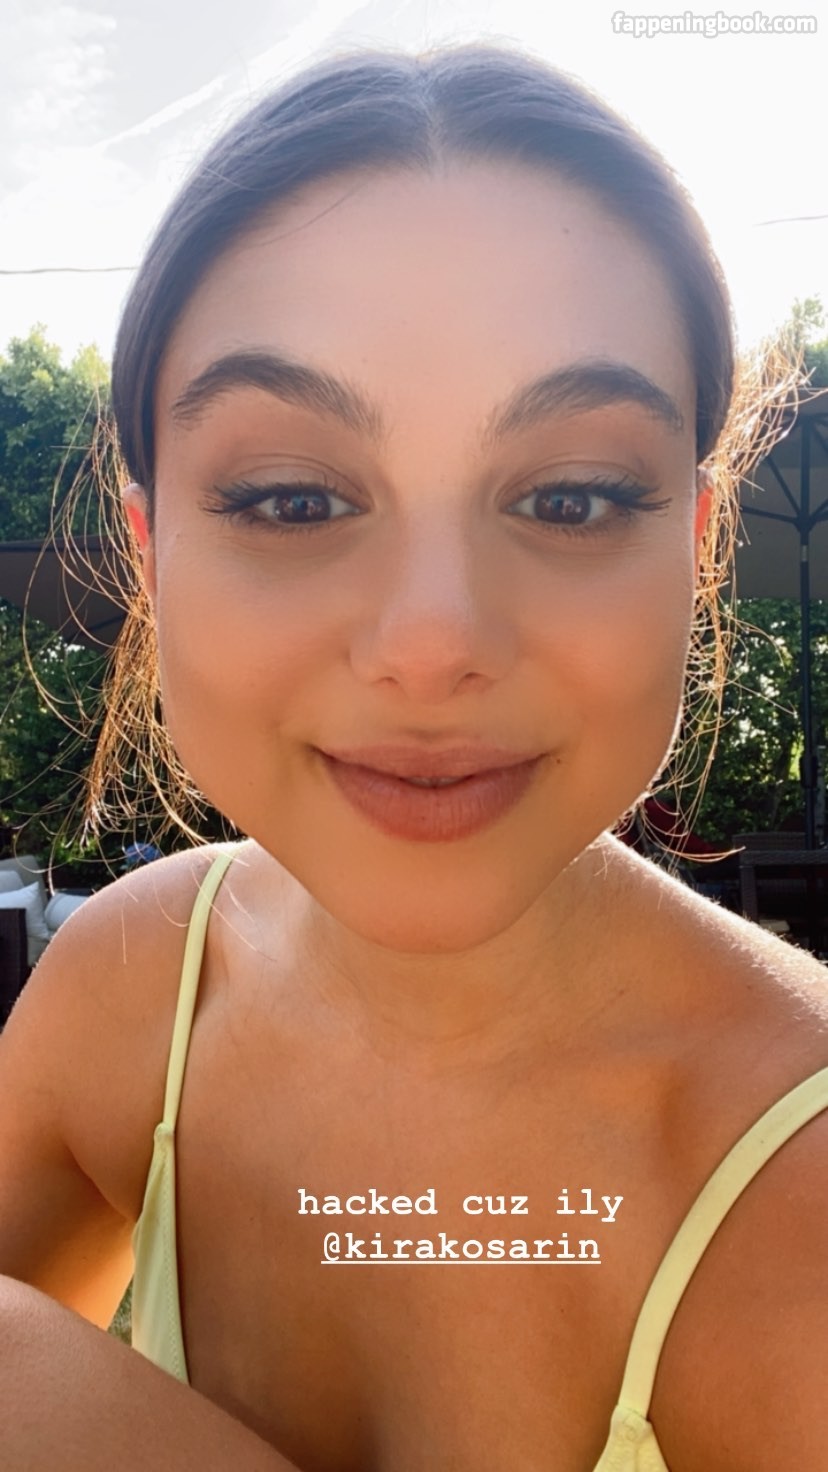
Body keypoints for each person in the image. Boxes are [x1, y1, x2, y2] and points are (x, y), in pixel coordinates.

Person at [1, 41, 826, 1472]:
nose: (432, 643)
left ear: (692, 553)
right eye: (292, 498)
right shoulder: (134, 988)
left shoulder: (797, 1202)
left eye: (571, 498)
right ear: (152, 550)